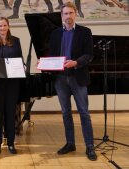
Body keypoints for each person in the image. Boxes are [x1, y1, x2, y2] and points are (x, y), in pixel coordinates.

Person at [48, 2, 97, 161]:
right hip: (61, 79)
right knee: (65, 113)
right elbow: (52, 55)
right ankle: (70, 143)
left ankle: (90, 146)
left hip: (78, 77)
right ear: (61, 16)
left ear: (75, 14)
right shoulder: (55, 34)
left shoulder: (85, 32)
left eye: (70, 13)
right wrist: (45, 64)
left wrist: (76, 62)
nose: (68, 16)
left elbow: (89, 54)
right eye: (65, 14)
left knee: (84, 113)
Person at [0, 17, 23, 154]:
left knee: (11, 111)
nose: (2, 28)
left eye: (4, 25)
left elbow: (20, 59)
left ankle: (11, 143)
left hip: (12, 82)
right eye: (0, 26)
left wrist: (22, 66)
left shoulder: (16, 41)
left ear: (8, 26)